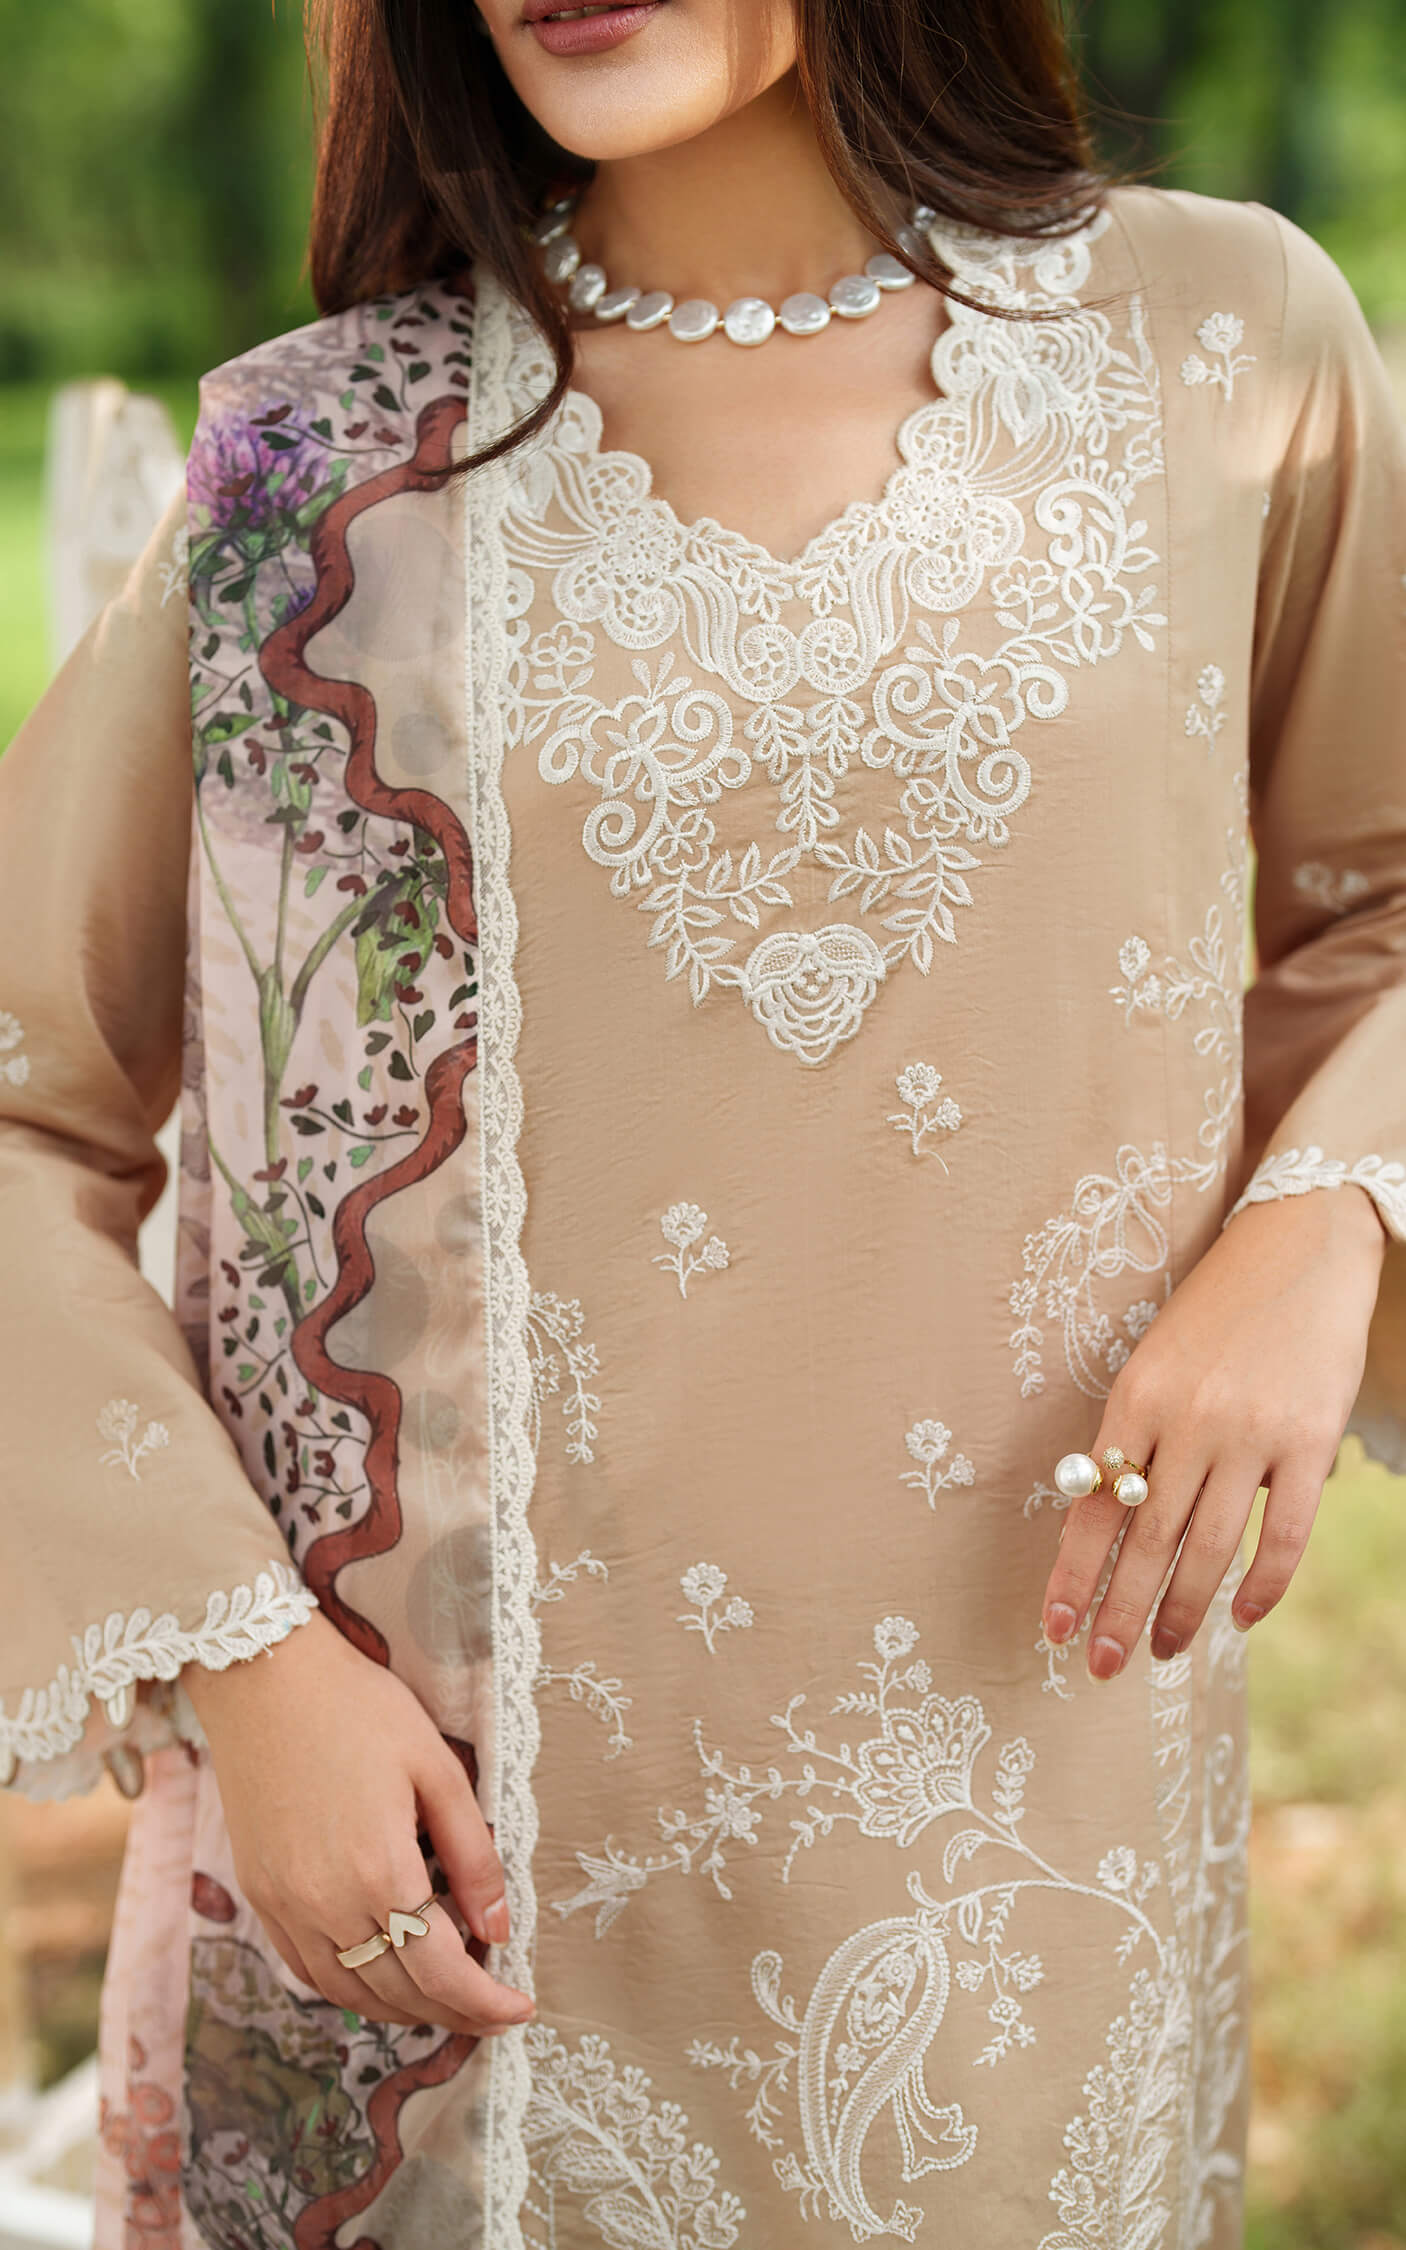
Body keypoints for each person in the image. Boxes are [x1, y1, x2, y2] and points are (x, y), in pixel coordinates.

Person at [2, 1, 1403, 2242]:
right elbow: (23, 1105)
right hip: (442, 1900)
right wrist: (245, 1667)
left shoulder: (1222, 342)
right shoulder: (317, 479)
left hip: (1028, 1868)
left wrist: (1326, 1218)